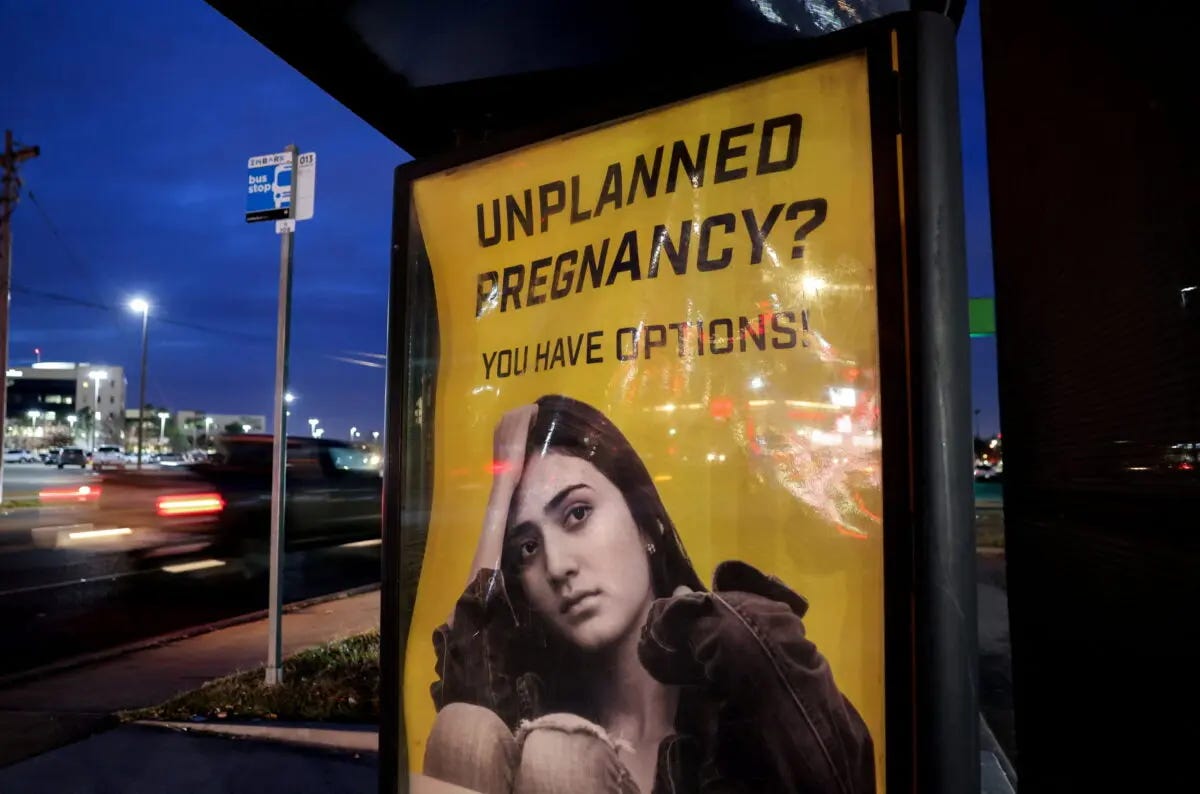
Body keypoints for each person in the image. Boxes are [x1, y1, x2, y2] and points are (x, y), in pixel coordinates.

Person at [424, 394, 874, 794]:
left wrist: (694, 624)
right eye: (527, 547)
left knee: (559, 759)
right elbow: (464, 691)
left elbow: (837, 773)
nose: (558, 567)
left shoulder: (734, 689)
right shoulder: (536, 701)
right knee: (465, 732)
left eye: (577, 513)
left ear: (647, 524)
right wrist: (499, 491)